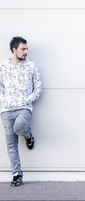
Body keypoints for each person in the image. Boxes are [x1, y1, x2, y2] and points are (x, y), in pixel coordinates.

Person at [0, 37, 42, 187]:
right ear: (14, 50)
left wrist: (28, 100)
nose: (26, 51)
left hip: (24, 108)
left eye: (26, 49)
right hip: (6, 110)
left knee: (19, 127)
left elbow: (38, 87)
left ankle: (28, 136)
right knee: (11, 145)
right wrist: (4, 101)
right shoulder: (3, 67)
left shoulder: (32, 66)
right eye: (23, 49)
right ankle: (17, 174)